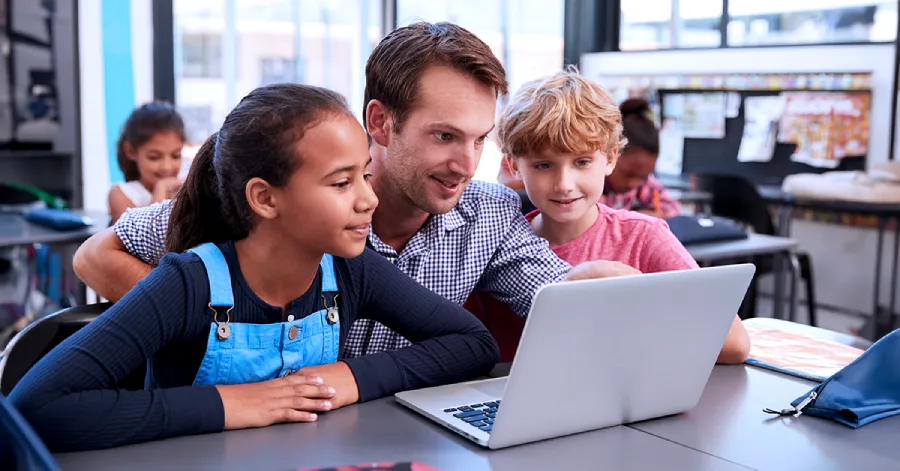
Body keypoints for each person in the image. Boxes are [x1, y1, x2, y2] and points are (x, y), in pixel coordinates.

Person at [73, 22, 630, 359]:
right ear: (381, 123)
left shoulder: (491, 214)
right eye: (443, 136)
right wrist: (199, 326)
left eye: (479, 139)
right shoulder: (289, 202)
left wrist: (616, 286)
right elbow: (96, 254)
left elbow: (553, 295)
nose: (466, 164)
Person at [9, 84, 498, 452]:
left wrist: (350, 378)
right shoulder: (186, 284)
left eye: (363, 175)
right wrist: (233, 403)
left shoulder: (352, 271)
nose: (368, 199)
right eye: (341, 183)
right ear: (265, 198)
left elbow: (472, 345)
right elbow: (35, 407)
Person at [481, 69, 750, 364]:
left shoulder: (643, 237)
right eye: (544, 165)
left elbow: (735, 345)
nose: (564, 184)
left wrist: (644, 299)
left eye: (582, 162)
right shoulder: (494, 242)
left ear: (610, 159)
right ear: (514, 167)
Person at [108, 102, 186, 224]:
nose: (167, 167)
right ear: (130, 151)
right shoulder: (121, 194)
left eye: (175, 156)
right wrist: (161, 191)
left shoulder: (183, 188)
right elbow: (148, 239)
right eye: (154, 157)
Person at [601, 98, 679, 219]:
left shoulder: (644, 185)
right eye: (628, 174)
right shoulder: (591, 187)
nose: (633, 184)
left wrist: (653, 215)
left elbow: (672, 208)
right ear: (610, 155)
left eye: (643, 176)